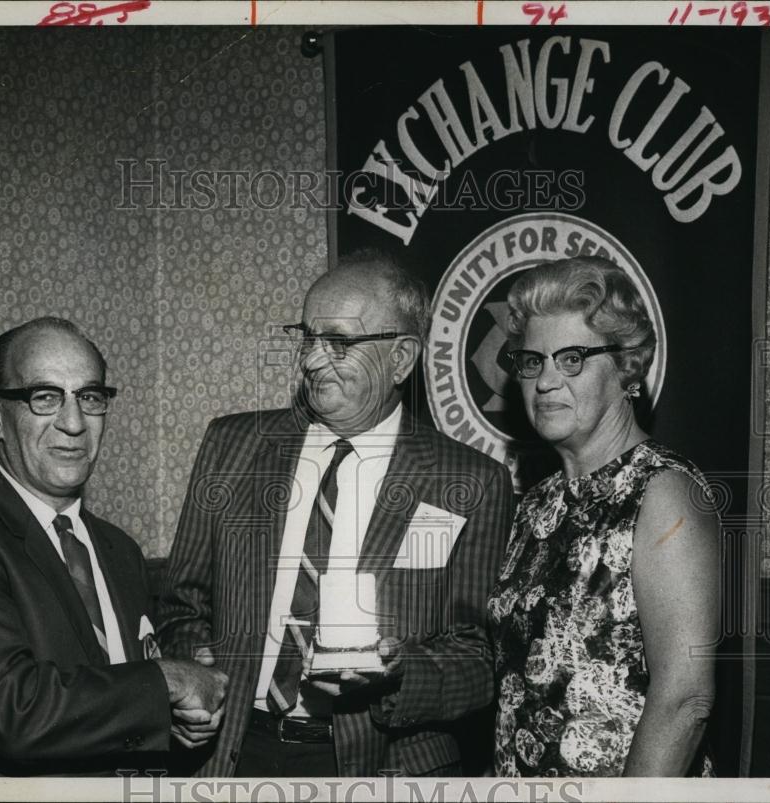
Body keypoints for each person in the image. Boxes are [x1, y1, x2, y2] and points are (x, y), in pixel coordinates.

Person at [157, 252, 512, 777]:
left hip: (390, 765)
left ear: (401, 359)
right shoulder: (232, 447)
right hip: (233, 752)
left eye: (339, 343)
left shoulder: (467, 481)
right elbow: (180, 605)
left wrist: (399, 672)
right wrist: (197, 669)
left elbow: (479, 658)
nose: (310, 360)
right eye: (308, 338)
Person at [0, 316, 228, 776]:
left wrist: (178, 721)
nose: (73, 423)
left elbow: (113, 707)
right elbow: (13, 713)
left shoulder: (118, 549)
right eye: (44, 397)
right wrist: (166, 681)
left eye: (89, 397)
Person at [487, 257, 720, 777]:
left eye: (572, 358)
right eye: (532, 361)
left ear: (627, 367)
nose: (545, 381)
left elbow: (685, 702)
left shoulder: (664, 492)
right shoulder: (536, 504)